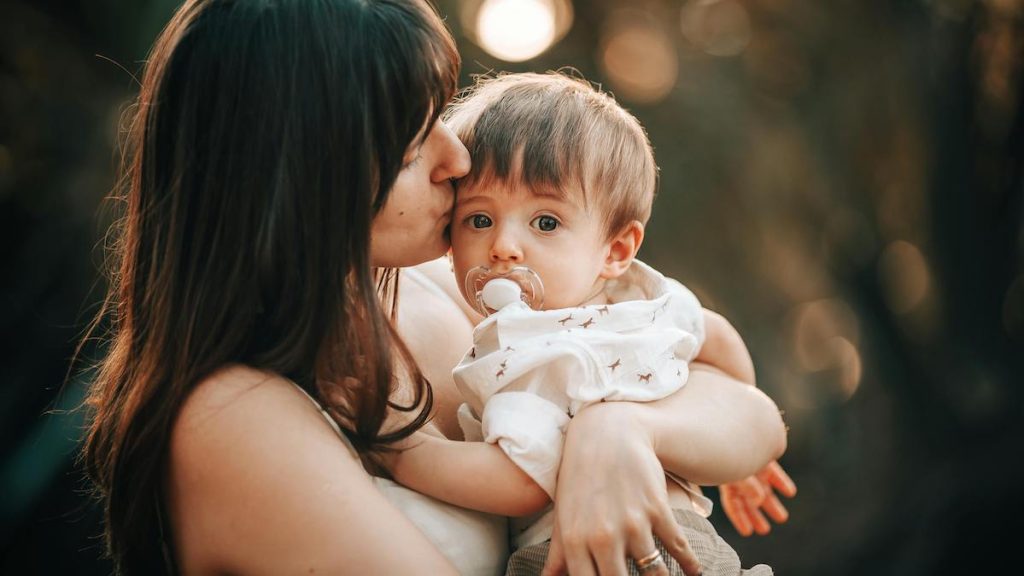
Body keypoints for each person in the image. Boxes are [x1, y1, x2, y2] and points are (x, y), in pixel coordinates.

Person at [79, 1, 789, 574]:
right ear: (309, 174)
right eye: (416, 141)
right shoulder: (232, 418)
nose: (458, 156)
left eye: (443, 114)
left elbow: (752, 415)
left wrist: (621, 428)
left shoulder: (449, 289)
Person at [381, 73, 796, 575]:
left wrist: (403, 452)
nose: (504, 247)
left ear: (616, 250)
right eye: (480, 220)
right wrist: (729, 458)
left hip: (593, 555)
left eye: (546, 223)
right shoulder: (645, 302)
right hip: (690, 545)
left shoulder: (527, 349)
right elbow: (715, 338)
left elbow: (517, 483)